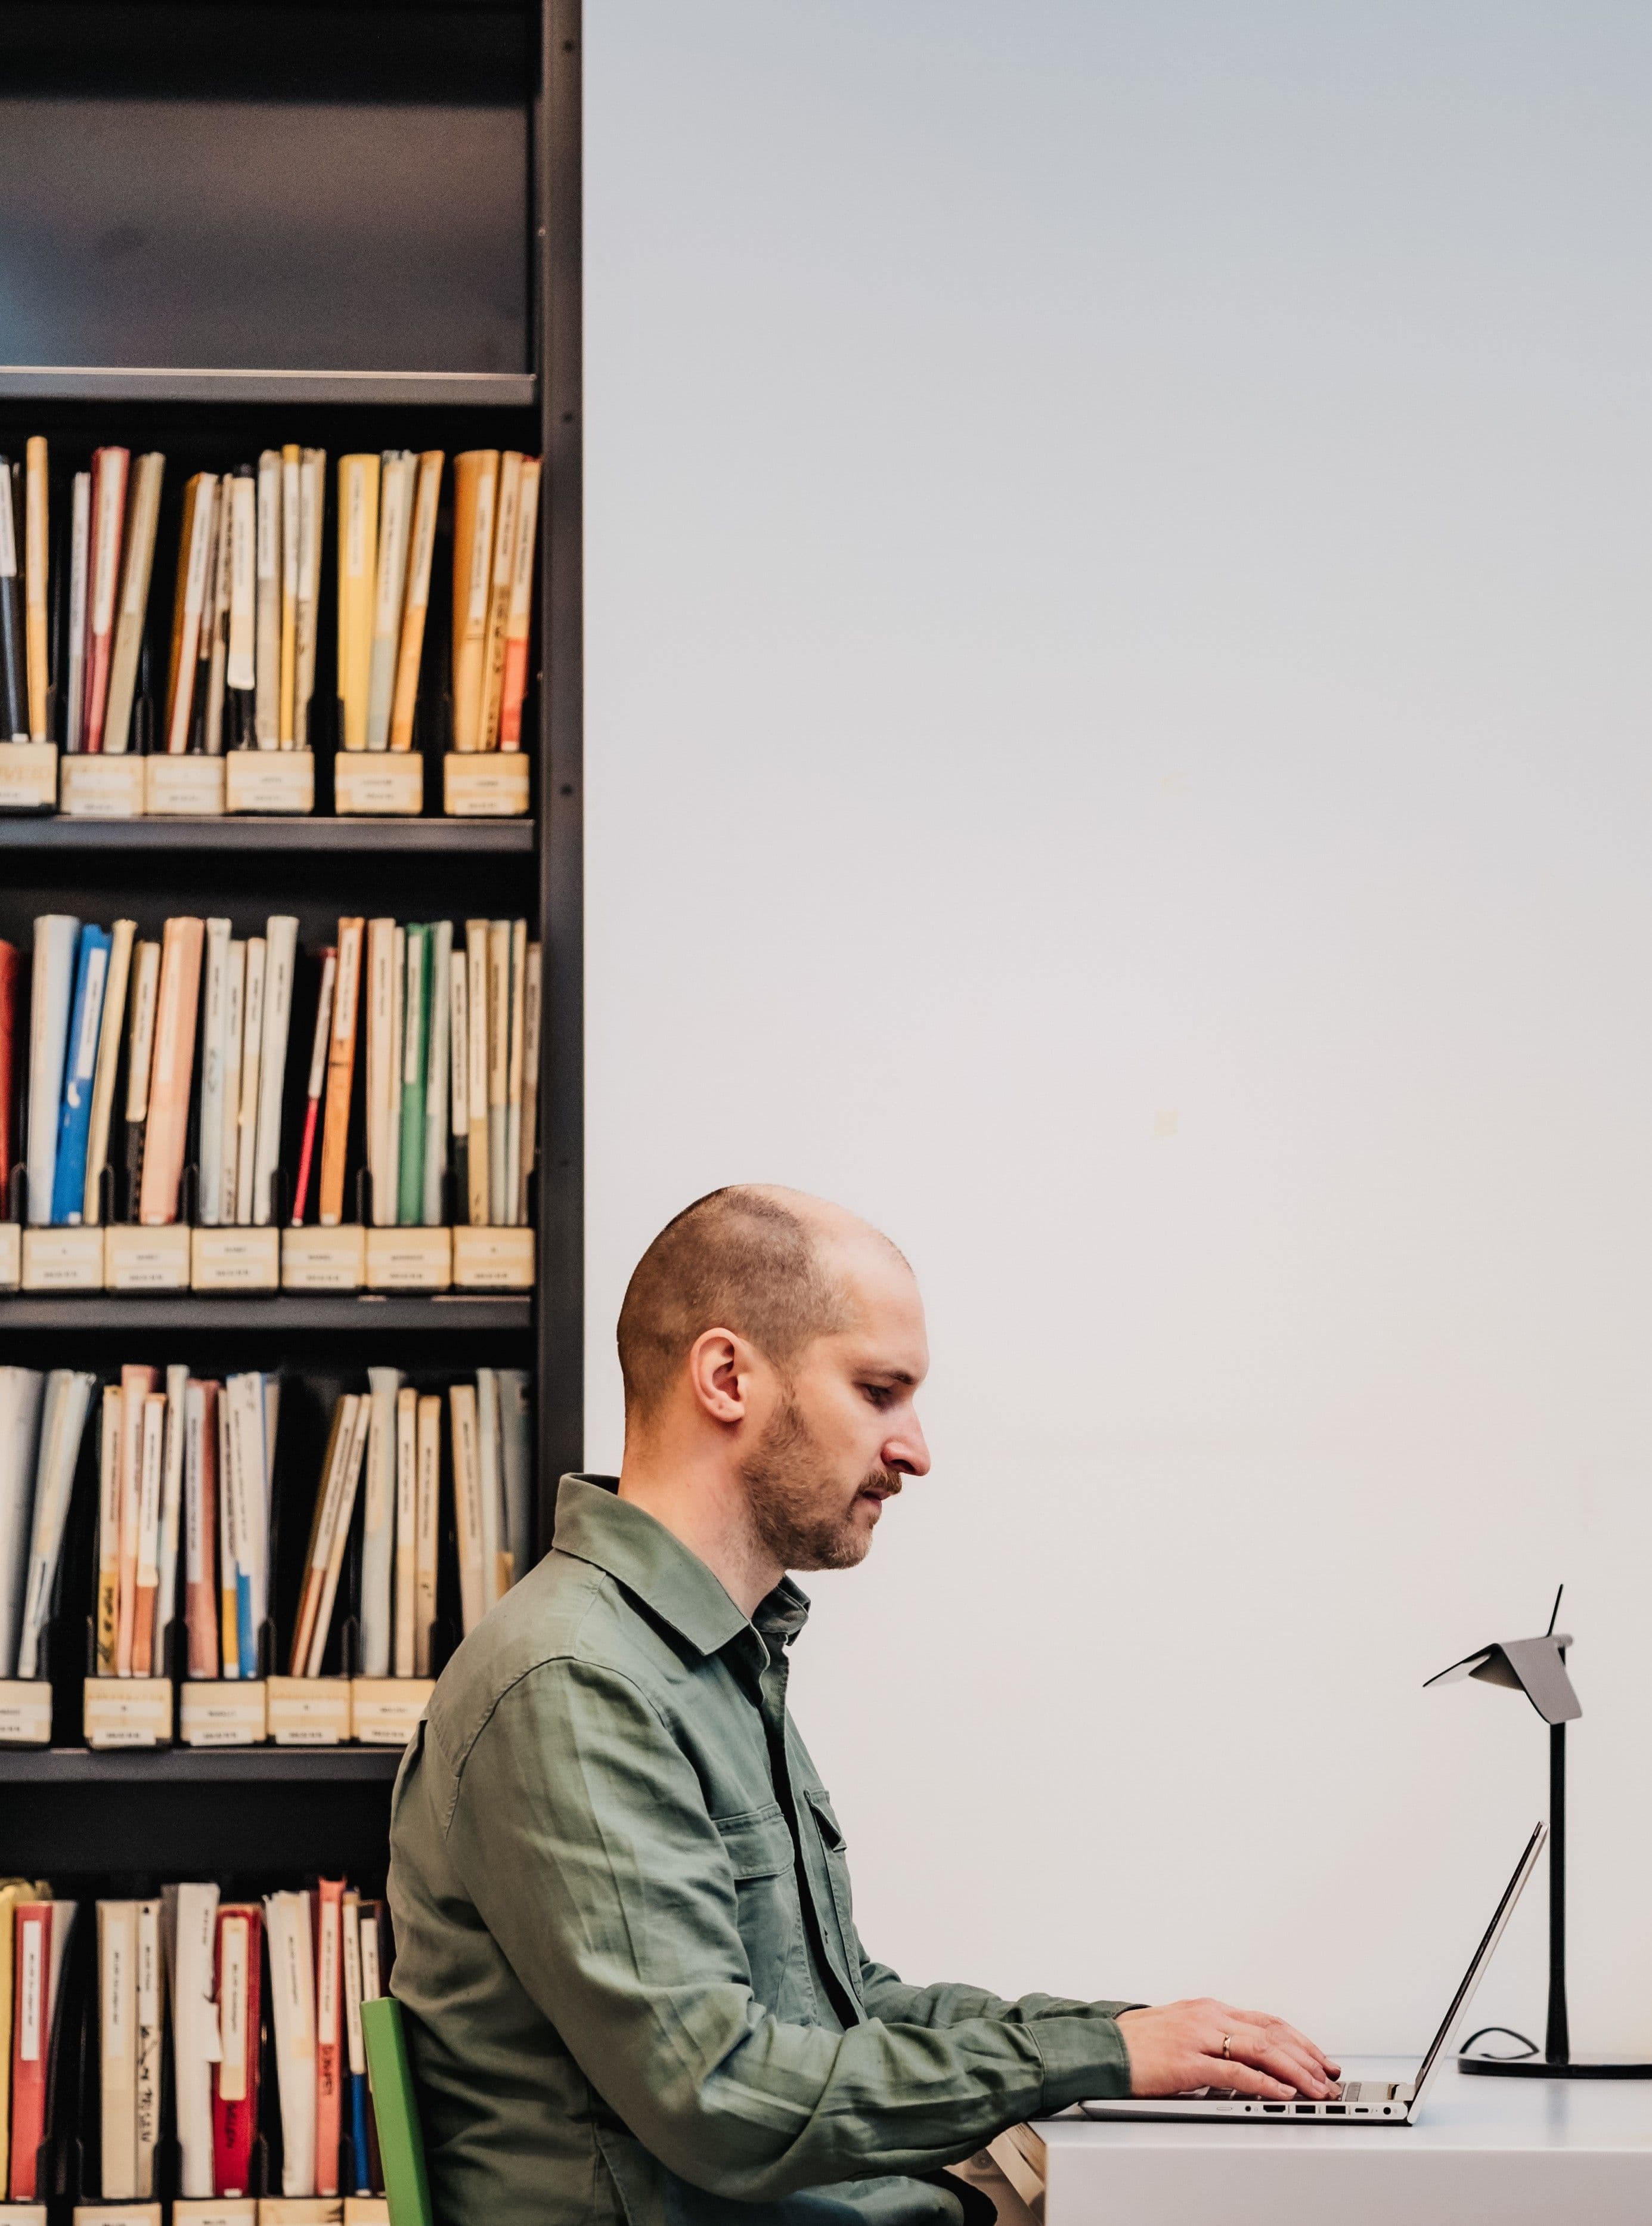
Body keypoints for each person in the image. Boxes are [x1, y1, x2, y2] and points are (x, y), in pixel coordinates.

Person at [388, 1185, 1339, 2225]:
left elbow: (843, 2008)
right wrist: (1092, 2055)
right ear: (727, 1377)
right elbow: (719, 2093)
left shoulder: (709, 1663)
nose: (916, 1449)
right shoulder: (577, 1679)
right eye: (880, 1391)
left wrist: (1137, 2037)